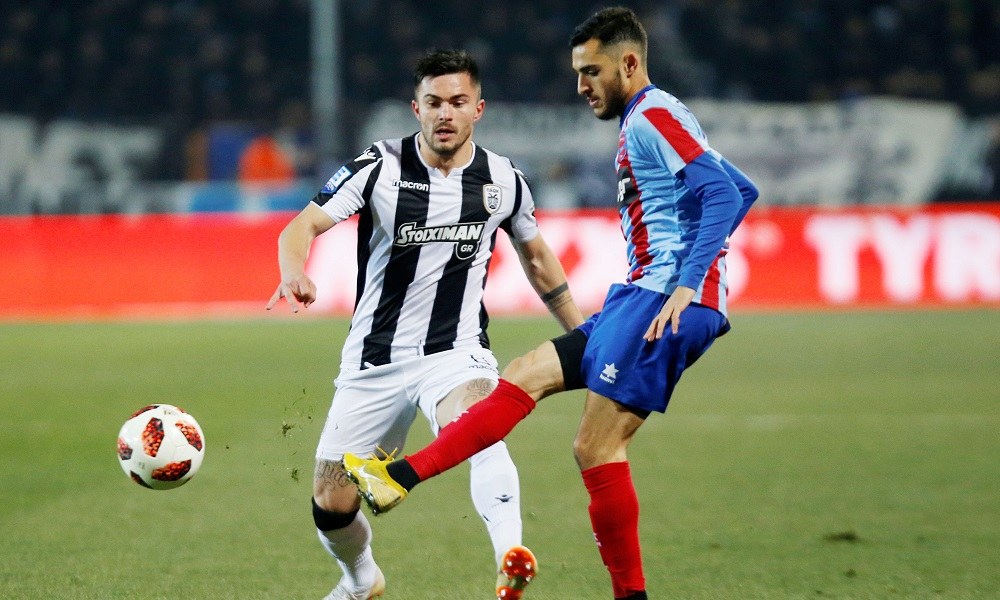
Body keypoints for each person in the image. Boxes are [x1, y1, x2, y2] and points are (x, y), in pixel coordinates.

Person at [343, 8, 760, 600]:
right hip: (640, 296)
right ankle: (398, 477)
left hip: (662, 299)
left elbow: (721, 195)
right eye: (577, 72)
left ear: (629, 63)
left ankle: (631, 596)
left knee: (596, 448)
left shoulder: (653, 116)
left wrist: (691, 283)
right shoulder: (656, 115)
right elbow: (744, 188)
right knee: (525, 372)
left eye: (591, 71)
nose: (581, 85)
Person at [267, 49, 583, 600]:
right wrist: (294, 270)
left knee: (480, 423)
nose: (445, 113)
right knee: (331, 503)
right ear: (416, 108)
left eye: (458, 102)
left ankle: (510, 555)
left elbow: (537, 260)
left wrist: (583, 334)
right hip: (374, 358)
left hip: (455, 352)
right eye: (434, 102)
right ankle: (361, 580)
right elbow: (301, 226)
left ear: (478, 108)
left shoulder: (504, 180)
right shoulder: (379, 166)